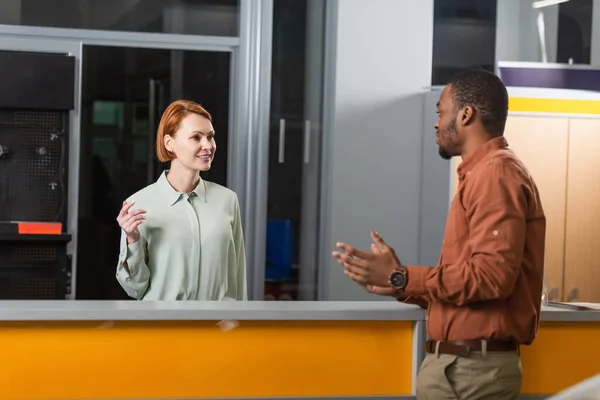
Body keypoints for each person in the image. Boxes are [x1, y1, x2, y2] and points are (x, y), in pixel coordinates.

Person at [332, 69, 545, 400]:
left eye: (440, 111)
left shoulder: (495, 174)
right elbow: (471, 290)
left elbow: (492, 278)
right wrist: (398, 285)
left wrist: (403, 276)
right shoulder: (480, 174)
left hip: (470, 373)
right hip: (463, 370)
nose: (436, 122)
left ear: (465, 114)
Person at [115, 99, 247, 301]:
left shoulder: (227, 200)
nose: (207, 146)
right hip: (164, 328)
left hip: (217, 328)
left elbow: (237, 276)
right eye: (196, 137)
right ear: (170, 143)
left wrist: (237, 324)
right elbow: (136, 289)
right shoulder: (139, 204)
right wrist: (132, 240)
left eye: (210, 137)